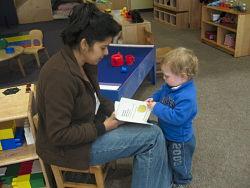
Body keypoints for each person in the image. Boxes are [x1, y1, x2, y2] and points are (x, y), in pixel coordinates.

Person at [36, 2, 172, 188]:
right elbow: (59, 135)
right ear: (84, 44)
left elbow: (100, 98)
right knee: (153, 137)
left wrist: (124, 111)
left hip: (89, 125)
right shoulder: (59, 76)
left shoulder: (83, 61)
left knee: (153, 126)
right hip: (70, 149)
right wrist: (104, 127)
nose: (107, 52)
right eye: (103, 47)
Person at [146, 47, 198, 188]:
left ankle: (182, 181)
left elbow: (177, 118)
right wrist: (152, 98)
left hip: (179, 139)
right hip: (167, 132)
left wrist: (156, 107)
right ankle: (172, 176)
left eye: (166, 76)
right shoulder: (171, 85)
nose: (164, 78)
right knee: (169, 159)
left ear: (183, 76)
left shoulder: (187, 97)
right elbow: (160, 92)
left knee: (179, 162)